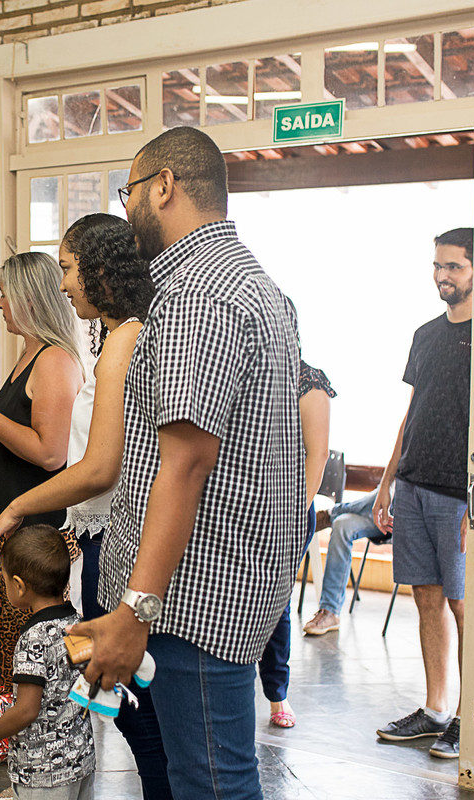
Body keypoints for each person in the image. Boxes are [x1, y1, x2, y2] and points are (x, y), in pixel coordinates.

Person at [71, 126, 305, 799]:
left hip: (193, 594)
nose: (126, 210)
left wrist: (134, 610)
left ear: (164, 186)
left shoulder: (196, 297)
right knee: (197, 776)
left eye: (128, 193)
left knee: (211, 783)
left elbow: (185, 465)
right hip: (222, 580)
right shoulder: (252, 283)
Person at [0, 214, 171, 800]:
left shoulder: (125, 340)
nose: (62, 283)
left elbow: (96, 467)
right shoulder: (109, 340)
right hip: (101, 537)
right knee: (125, 706)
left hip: (119, 536)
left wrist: (15, 508)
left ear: (100, 269)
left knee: (136, 710)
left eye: (67, 268)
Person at [373, 227, 474, 759]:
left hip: (462, 495)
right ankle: (435, 709)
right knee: (427, 598)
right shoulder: (425, 334)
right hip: (413, 486)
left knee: (465, 606)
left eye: (454, 266)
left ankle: (468, 717)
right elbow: (413, 412)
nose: (442, 275)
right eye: (437, 266)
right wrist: (387, 482)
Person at [0, 251, 83, 714]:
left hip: (35, 530)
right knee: (9, 641)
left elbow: (50, 452)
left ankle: (35, 743)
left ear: (29, 299)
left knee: (31, 651)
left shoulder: (54, 360)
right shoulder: (28, 355)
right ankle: (8, 738)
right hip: (10, 524)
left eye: (4, 295)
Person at [0, 525, 96, 800]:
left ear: (19, 586)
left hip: (43, 773)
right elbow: (86, 685)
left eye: (5, 581)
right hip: (81, 762)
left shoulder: (32, 639)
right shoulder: (77, 626)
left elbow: (27, 710)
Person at [257, 355, 335, 727]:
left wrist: (288, 517)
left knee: (275, 603)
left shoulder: (308, 381)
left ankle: (277, 694)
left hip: (286, 510)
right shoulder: (246, 372)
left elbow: (317, 457)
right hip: (240, 507)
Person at [302, 489, 382, 636]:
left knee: (394, 489)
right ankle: (330, 611)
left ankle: (330, 514)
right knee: (341, 524)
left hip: (410, 521)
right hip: (380, 513)